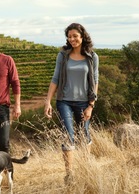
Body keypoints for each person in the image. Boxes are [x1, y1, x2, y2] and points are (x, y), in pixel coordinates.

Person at [44, 23, 99, 183]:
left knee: (84, 134)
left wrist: (91, 105)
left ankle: (87, 167)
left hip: (84, 102)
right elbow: (55, 78)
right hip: (64, 101)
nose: (72, 39)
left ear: (82, 36)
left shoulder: (92, 57)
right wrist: (48, 101)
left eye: (75, 36)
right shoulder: (63, 55)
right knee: (68, 135)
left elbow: (95, 81)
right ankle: (69, 174)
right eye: (69, 36)